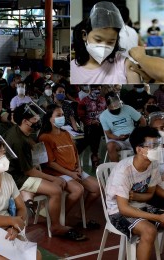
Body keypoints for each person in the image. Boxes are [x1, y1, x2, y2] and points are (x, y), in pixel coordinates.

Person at [4, 104, 85, 240]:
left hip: (22, 173)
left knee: (57, 185)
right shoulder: (18, 141)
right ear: (25, 121)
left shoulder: (19, 132)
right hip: (17, 178)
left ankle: (42, 210)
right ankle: (55, 226)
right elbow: (29, 172)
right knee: (56, 189)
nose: (38, 121)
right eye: (35, 119)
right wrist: (52, 179)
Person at [105, 126, 164, 260]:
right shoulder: (124, 171)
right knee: (149, 231)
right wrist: (158, 218)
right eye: (152, 146)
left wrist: (138, 196)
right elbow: (124, 209)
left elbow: (151, 193)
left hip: (140, 205)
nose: (157, 149)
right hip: (118, 212)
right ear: (139, 149)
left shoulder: (152, 164)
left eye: (158, 145)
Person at [38, 104, 100, 225]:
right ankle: (61, 216)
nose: (62, 117)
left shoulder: (66, 133)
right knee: (78, 190)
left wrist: (79, 168)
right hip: (58, 173)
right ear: (49, 118)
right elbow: (50, 163)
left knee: (97, 188)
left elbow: (75, 153)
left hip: (74, 170)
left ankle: (79, 214)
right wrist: (70, 174)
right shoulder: (45, 137)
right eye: (58, 115)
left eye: (62, 115)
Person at [71, 1, 141, 84]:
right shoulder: (73, 68)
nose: (104, 47)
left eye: (111, 42)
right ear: (84, 35)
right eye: (98, 40)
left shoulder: (123, 64)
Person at [100, 92, 146, 162]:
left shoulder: (127, 108)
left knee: (146, 144)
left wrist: (137, 133)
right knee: (110, 146)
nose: (116, 109)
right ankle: (116, 168)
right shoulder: (103, 116)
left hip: (133, 138)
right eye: (113, 108)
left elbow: (142, 121)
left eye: (118, 107)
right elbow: (108, 134)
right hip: (117, 140)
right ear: (107, 106)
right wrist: (118, 138)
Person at [77, 85, 107, 166]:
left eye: (99, 89)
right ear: (90, 89)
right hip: (90, 126)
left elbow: (107, 113)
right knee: (94, 130)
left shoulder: (103, 100)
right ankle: (95, 154)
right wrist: (91, 122)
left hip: (104, 125)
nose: (97, 91)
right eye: (95, 89)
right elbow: (81, 116)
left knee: (90, 136)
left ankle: (79, 151)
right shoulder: (84, 101)